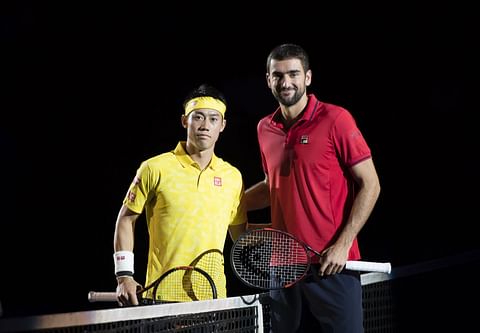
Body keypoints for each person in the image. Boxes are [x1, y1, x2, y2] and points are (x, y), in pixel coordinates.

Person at [245, 43, 381, 332]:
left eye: (293, 74)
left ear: (307, 77)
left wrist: (343, 245)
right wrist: (227, 204)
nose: (286, 82)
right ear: (268, 80)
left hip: (331, 266)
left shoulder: (336, 119)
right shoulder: (263, 128)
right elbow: (273, 184)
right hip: (282, 270)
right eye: (278, 75)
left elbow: (371, 184)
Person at [113, 83, 247, 306]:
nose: (205, 126)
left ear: (222, 125)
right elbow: (126, 219)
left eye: (213, 119)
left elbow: (241, 236)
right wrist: (124, 276)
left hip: (214, 299)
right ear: (185, 120)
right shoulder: (154, 168)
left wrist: (288, 229)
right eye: (198, 117)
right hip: (161, 297)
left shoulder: (233, 177)